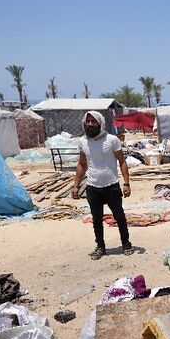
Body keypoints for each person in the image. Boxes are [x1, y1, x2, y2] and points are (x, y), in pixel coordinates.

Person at [72, 111, 133, 259]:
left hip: (111, 186)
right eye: (88, 122)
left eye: (94, 121)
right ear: (84, 123)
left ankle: (126, 244)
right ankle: (100, 247)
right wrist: (76, 185)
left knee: (119, 216)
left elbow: (122, 161)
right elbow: (82, 164)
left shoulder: (112, 140)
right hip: (93, 187)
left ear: (100, 123)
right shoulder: (82, 142)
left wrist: (126, 183)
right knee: (96, 219)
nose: (91, 124)